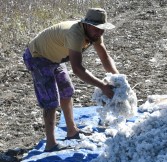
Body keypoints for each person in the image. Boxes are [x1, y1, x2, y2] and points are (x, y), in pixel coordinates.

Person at [23, 8, 119, 152]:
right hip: (38, 57)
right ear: (86, 24)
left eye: (102, 29)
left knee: (67, 91)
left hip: (55, 58)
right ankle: (51, 144)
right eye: (96, 29)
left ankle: (72, 131)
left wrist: (118, 78)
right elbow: (77, 68)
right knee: (51, 101)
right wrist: (102, 86)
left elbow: (104, 58)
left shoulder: (95, 34)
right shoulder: (75, 34)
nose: (99, 32)